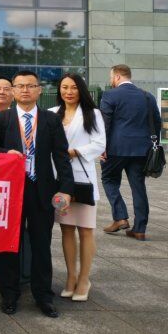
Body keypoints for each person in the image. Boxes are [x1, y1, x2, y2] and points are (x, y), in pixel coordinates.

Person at [0, 70, 74, 318]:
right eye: (20, 86)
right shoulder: (2, 118)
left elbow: (61, 156)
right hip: (10, 191)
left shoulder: (50, 119)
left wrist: (66, 189)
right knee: (8, 244)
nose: (25, 90)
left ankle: (43, 296)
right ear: (13, 91)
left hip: (41, 189)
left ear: (39, 90)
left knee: (41, 244)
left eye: (30, 86)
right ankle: (9, 294)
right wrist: (6, 154)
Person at [51, 73, 106, 302]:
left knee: (85, 230)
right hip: (59, 180)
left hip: (82, 178)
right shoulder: (53, 113)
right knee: (66, 229)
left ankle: (84, 279)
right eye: (64, 87)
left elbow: (100, 143)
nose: (69, 92)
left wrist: (75, 152)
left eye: (73, 87)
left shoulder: (93, 114)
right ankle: (71, 277)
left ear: (80, 90)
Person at [99, 64, 161, 241]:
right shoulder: (147, 96)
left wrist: (102, 147)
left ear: (117, 76)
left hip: (115, 149)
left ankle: (120, 217)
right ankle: (140, 229)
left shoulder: (110, 95)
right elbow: (157, 122)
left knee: (109, 179)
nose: (111, 80)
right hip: (142, 150)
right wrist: (154, 145)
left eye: (111, 77)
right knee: (138, 187)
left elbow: (104, 123)